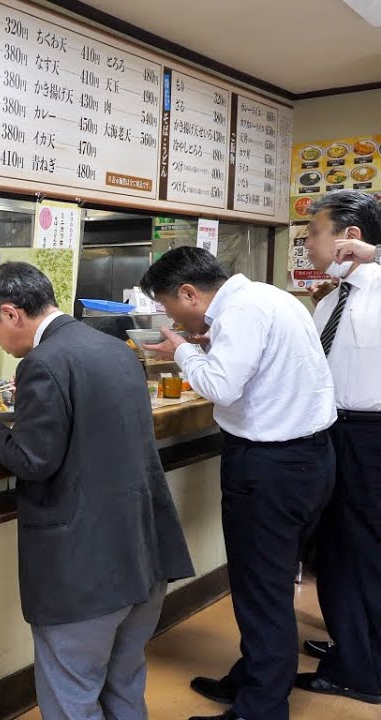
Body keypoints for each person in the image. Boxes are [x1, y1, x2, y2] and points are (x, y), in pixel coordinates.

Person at [0, 262, 194, 720]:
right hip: (143, 555)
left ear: (10, 314)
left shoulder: (44, 362)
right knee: (124, 684)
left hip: (84, 568)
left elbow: (33, 460)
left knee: (72, 694)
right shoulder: (115, 349)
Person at [141, 247, 336, 720]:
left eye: (169, 304)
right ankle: (253, 677)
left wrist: (183, 350)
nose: (170, 314)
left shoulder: (242, 312)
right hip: (310, 457)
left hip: (270, 466)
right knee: (268, 582)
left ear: (189, 292)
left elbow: (221, 388)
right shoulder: (270, 297)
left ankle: (261, 708)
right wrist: (205, 346)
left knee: (260, 589)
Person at [295, 190, 381, 706]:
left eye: (312, 232)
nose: (306, 243)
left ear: (350, 236)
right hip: (333, 433)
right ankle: (353, 645)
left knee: (362, 551)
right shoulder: (331, 298)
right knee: (337, 550)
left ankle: (362, 670)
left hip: (370, 436)